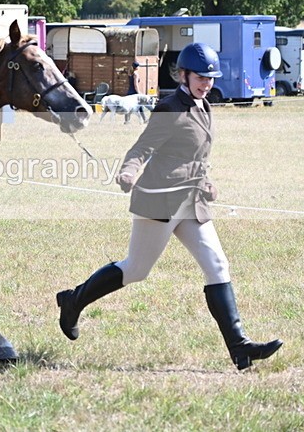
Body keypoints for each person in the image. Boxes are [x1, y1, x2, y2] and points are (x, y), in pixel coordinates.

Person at [55, 42, 283, 370]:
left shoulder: (204, 107)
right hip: (160, 198)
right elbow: (143, 147)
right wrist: (129, 170)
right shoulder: (169, 108)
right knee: (136, 269)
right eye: (201, 77)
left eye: (210, 78)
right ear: (184, 75)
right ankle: (73, 301)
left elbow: (194, 154)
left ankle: (240, 347)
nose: (207, 83)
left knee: (217, 265)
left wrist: (204, 181)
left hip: (191, 202)